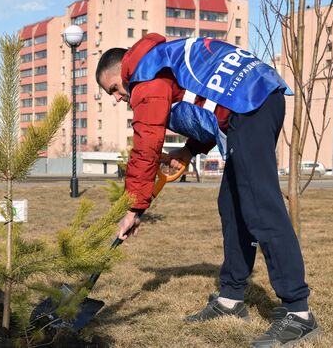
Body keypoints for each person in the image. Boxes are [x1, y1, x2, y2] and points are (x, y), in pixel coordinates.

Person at [96, 33, 321, 347]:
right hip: (253, 100)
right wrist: (188, 151)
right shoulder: (163, 59)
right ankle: (230, 298)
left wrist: (134, 208)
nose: (118, 98)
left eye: (114, 90)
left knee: (260, 207)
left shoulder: (145, 74)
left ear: (122, 71)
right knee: (231, 204)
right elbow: (208, 101)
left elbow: (147, 144)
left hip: (251, 105)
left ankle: (299, 314)